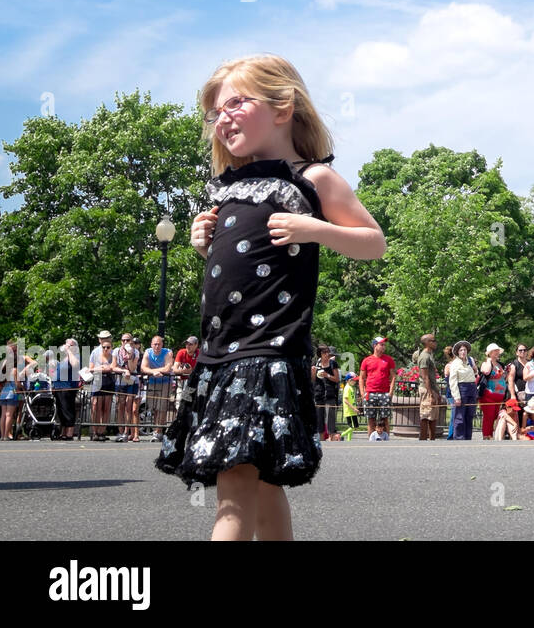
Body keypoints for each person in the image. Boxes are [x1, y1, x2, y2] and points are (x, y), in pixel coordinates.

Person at [158, 55, 386, 540]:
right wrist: (205, 241)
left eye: (237, 103)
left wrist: (316, 228)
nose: (223, 118)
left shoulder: (312, 179)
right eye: (216, 112)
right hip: (220, 351)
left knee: (234, 482)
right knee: (261, 481)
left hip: (267, 350)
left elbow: (374, 242)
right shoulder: (229, 189)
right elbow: (242, 268)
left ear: (283, 108)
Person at [361, 336, 397, 440]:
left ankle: (386, 442)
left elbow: (393, 376)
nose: (383, 347)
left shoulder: (388, 359)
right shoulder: (366, 360)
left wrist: (390, 392)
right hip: (370, 393)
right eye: (381, 344)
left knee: (385, 419)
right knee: (371, 420)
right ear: (374, 345)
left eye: (384, 345)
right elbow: (362, 378)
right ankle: (371, 442)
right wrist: (363, 392)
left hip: (384, 393)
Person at [140, 335, 174, 442]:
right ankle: (156, 429)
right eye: (155, 344)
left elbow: (168, 368)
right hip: (152, 381)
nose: (157, 346)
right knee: (154, 407)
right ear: (151, 344)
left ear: (162, 345)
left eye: (159, 344)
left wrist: (155, 370)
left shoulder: (167, 352)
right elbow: (143, 367)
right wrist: (154, 372)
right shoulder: (147, 352)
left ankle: (158, 431)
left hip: (165, 382)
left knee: (162, 407)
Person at [46, 339, 81, 440]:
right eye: (66, 344)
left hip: (68, 387)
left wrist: (69, 351)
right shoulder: (64, 358)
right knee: (61, 411)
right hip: (58, 387)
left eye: (70, 345)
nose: (67, 346)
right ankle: (63, 432)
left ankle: (69, 433)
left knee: (68, 409)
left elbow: (75, 365)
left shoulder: (75, 356)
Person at [447, 340, 478, 441]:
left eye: (465, 350)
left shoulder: (469, 361)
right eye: (461, 350)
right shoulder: (455, 364)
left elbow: (475, 374)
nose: (463, 352)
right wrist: (457, 397)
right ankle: (459, 438)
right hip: (462, 389)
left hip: (472, 389)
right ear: (457, 352)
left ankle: (468, 437)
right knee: (459, 416)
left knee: (469, 415)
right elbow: (453, 381)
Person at [114, 332, 141, 443]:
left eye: (128, 340)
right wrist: (123, 370)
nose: (125, 342)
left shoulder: (136, 352)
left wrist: (130, 356)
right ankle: (120, 431)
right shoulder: (116, 351)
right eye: (123, 340)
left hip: (132, 380)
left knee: (129, 405)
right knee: (120, 405)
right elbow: (113, 366)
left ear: (131, 342)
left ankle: (126, 431)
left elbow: (132, 367)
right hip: (120, 381)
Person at [416, 334, 443, 441]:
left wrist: (437, 392)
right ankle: (423, 441)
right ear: (427, 343)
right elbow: (425, 376)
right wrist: (431, 394)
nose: (436, 342)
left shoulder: (430, 355)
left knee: (433, 416)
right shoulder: (424, 356)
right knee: (426, 416)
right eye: (433, 340)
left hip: (432, 388)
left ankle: (432, 441)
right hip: (427, 389)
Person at [478, 343, 509, 440]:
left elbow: (504, 378)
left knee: (496, 416)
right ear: (490, 353)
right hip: (488, 395)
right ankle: (487, 436)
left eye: (498, 351)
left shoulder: (501, 364)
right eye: (495, 351)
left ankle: (494, 435)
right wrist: (488, 360)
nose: (497, 352)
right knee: (489, 416)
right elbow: (486, 371)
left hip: (499, 395)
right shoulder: (486, 363)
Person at [312, 344, 340, 443]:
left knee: (330, 418)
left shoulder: (333, 364)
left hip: (330, 394)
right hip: (319, 394)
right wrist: (313, 372)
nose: (327, 354)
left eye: (328, 352)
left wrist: (327, 375)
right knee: (319, 419)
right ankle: (321, 440)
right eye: (324, 352)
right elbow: (313, 380)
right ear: (320, 354)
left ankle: (332, 438)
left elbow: (336, 379)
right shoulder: (316, 363)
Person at [341, 373, 361, 439]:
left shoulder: (351, 388)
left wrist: (357, 400)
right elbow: (345, 400)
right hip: (350, 411)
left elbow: (351, 399)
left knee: (352, 427)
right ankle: (341, 435)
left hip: (352, 411)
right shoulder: (347, 388)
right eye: (353, 380)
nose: (355, 381)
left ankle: (349, 440)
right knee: (354, 426)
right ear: (348, 380)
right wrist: (354, 409)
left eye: (355, 380)